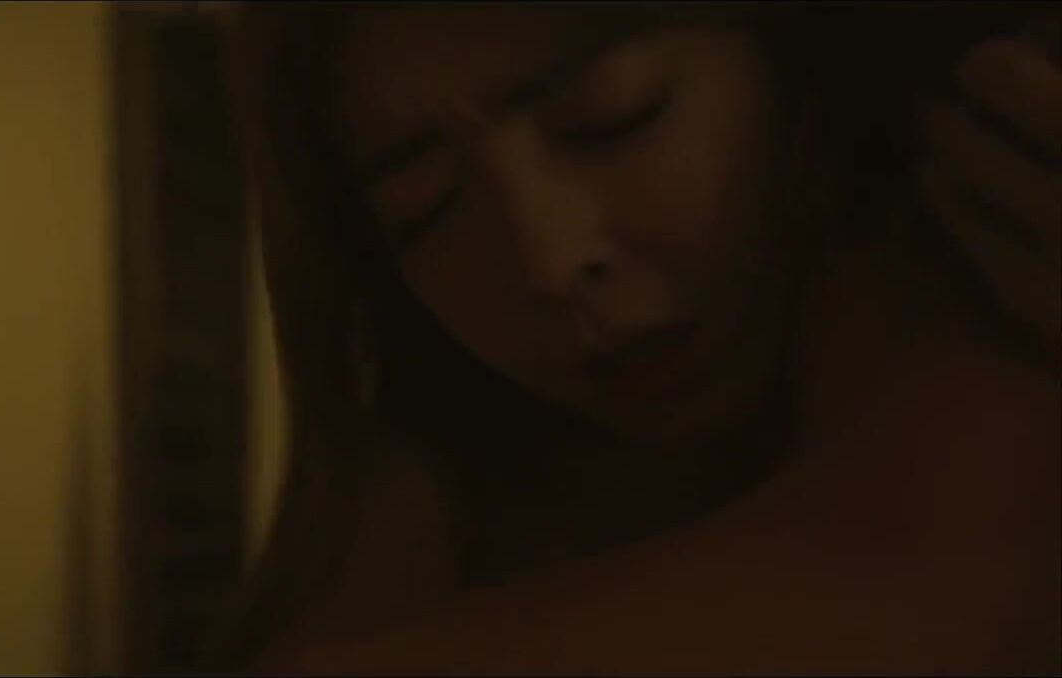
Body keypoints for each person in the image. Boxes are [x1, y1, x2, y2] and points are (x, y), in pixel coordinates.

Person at [208, 3, 1060, 673]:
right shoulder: (418, 506)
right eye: (423, 208)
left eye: (613, 118)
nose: (547, 261)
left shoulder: (963, 300)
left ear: (801, 76)